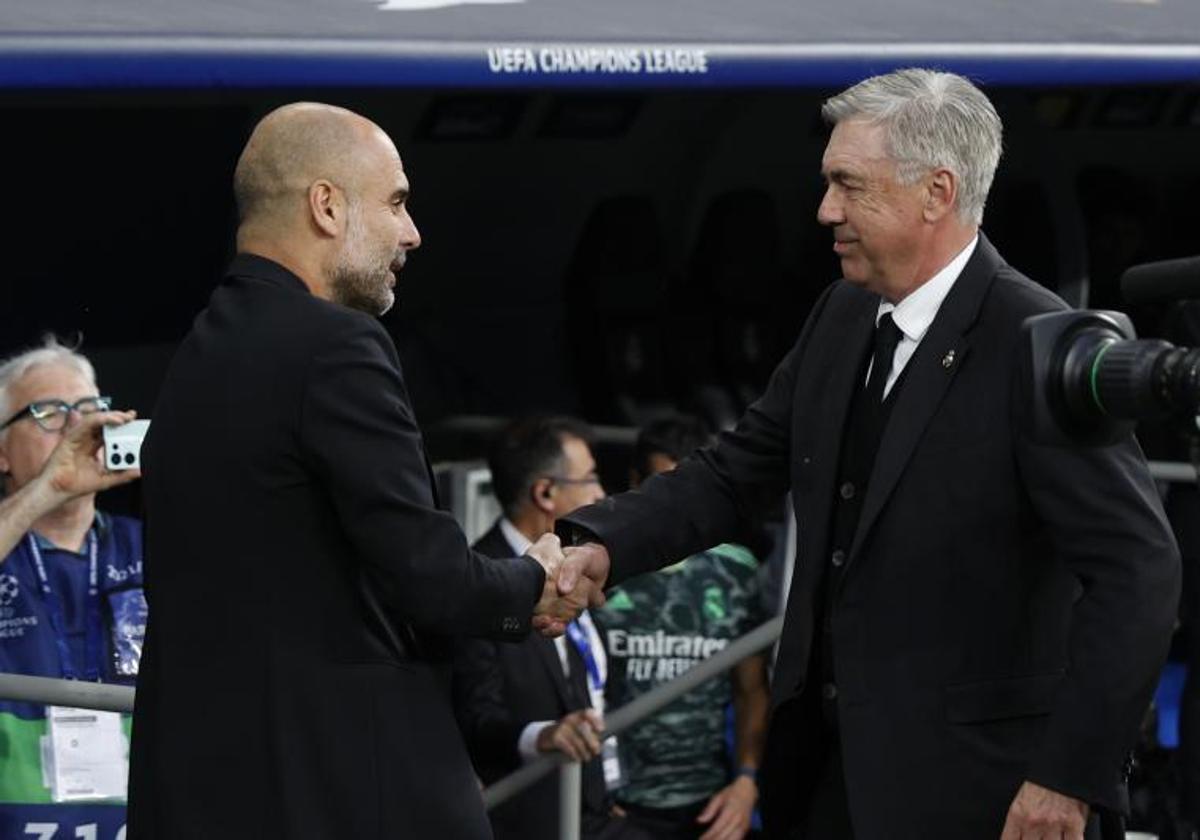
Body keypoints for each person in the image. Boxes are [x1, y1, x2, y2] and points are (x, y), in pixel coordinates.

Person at [559, 68, 1181, 839]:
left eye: (849, 186)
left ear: (937, 192)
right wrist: (604, 542)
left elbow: (1140, 569)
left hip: (980, 796)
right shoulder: (842, 312)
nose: (825, 212)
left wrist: (1067, 776)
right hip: (827, 780)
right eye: (828, 185)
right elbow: (737, 469)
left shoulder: (1036, 341)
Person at [126, 103, 601, 840]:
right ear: (326, 205)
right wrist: (534, 579)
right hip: (347, 789)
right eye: (398, 202)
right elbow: (434, 580)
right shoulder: (338, 347)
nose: (413, 233)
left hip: (204, 789)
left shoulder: (198, 354)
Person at [453, 415, 646, 840]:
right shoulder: (481, 582)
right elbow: (477, 718)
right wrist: (544, 736)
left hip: (598, 810)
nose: (601, 493)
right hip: (532, 820)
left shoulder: (573, 562)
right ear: (545, 492)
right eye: (591, 478)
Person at [596, 414, 770, 840]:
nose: (672, 508)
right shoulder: (599, 569)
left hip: (709, 807)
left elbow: (752, 691)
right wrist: (591, 797)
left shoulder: (735, 571)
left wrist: (747, 782)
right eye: (660, 487)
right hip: (619, 809)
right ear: (636, 482)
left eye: (684, 491)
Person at [0, 336, 145, 839]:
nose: (76, 427)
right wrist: (48, 489)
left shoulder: (151, 547)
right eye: (49, 412)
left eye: (88, 409)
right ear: (1, 451)